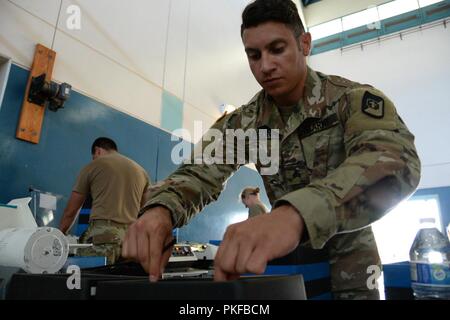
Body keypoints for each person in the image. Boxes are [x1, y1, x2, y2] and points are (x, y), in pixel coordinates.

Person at [122, 0, 421, 299]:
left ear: (304, 44)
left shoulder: (351, 100)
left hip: (352, 274)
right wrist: (161, 209)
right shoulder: (245, 122)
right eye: (254, 55)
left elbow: (395, 162)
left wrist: (295, 216)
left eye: (277, 49)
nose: (265, 66)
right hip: (288, 275)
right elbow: (199, 172)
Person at [59, 137, 150, 264]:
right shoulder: (142, 172)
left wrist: (59, 236)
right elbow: (145, 212)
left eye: (93, 156)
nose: (94, 159)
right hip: (132, 242)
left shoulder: (93, 166)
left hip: (103, 238)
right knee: (121, 282)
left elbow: (71, 210)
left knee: (92, 280)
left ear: (97, 151)